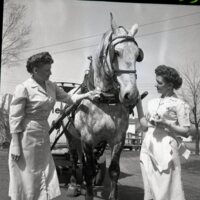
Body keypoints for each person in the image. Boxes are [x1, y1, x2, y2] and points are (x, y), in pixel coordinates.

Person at [8, 51, 100, 200]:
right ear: (35, 70)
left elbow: (69, 98)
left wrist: (86, 95)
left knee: (42, 174)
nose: (50, 73)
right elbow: (15, 118)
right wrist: (16, 145)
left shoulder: (51, 86)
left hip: (43, 135)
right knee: (28, 176)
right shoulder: (23, 88)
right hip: (26, 137)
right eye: (47, 70)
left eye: (50, 69)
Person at [136, 65, 191, 200]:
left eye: (159, 83)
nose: (156, 85)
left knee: (165, 191)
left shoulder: (179, 104)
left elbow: (186, 131)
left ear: (170, 85)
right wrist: (138, 104)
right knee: (149, 191)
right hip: (148, 147)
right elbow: (144, 126)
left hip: (165, 149)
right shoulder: (153, 102)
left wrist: (167, 124)